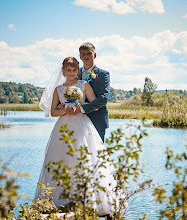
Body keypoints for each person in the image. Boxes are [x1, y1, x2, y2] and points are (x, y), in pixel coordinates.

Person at [35, 57, 116, 217]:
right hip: (63, 126)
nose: (71, 73)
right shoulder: (58, 89)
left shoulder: (83, 85)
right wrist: (64, 109)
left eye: (73, 70)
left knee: (83, 159)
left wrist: (78, 106)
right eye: (68, 70)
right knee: (61, 158)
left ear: (76, 70)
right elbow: (52, 112)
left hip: (82, 124)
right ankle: (57, 200)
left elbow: (92, 103)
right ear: (63, 71)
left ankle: (86, 200)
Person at [63, 42, 110, 142]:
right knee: (78, 153)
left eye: (89, 53)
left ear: (95, 55)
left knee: (97, 153)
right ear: (80, 57)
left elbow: (103, 98)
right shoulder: (73, 72)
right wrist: (62, 105)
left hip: (97, 120)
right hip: (76, 120)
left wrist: (82, 109)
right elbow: (65, 91)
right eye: (83, 54)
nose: (86, 56)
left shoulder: (103, 74)